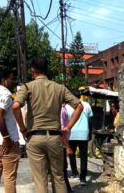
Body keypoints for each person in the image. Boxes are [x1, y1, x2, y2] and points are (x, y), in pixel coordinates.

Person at [13, 58, 83, 193]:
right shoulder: (59, 88)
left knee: (40, 180)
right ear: (47, 71)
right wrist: (67, 127)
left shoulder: (27, 87)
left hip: (35, 137)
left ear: (33, 72)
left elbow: (15, 106)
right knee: (59, 177)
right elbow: (79, 106)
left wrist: (23, 129)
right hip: (55, 138)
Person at [65, 100, 93, 186]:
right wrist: (90, 133)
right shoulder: (87, 105)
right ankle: (83, 178)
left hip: (71, 133)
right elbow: (90, 120)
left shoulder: (67, 106)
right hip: (83, 133)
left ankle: (74, 172)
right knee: (83, 156)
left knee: (71, 154)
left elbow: (65, 120)